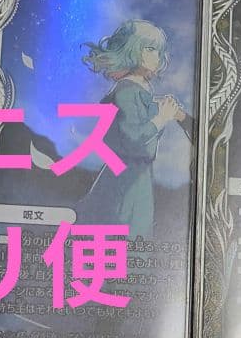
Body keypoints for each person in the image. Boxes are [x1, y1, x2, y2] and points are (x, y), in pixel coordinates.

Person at [78, 19, 186, 239]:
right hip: (125, 181)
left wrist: (161, 112)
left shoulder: (140, 90)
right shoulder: (127, 91)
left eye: (159, 51)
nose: (158, 56)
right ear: (132, 49)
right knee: (125, 240)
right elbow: (132, 138)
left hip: (138, 179)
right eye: (150, 49)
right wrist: (161, 117)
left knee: (135, 241)